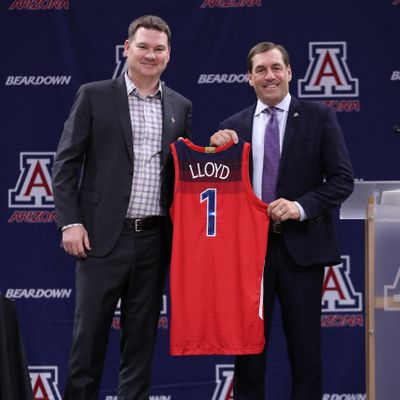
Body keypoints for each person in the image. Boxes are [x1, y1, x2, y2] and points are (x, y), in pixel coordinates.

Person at [52, 15, 192, 400]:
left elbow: (186, 172)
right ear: (127, 48)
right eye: (143, 46)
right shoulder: (94, 95)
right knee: (88, 342)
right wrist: (71, 223)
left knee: (140, 344)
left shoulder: (181, 106)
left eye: (159, 48)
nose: (151, 54)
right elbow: (65, 163)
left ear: (169, 54)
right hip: (99, 240)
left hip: (154, 241)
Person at [210, 42, 354, 399]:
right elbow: (218, 196)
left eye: (276, 68)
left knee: (306, 353)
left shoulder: (320, 117)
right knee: (248, 356)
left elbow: (342, 181)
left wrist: (300, 206)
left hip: (301, 250)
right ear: (249, 78)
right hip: (248, 257)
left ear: (289, 72)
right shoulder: (232, 128)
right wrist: (215, 153)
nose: (269, 75)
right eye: (260, 70)